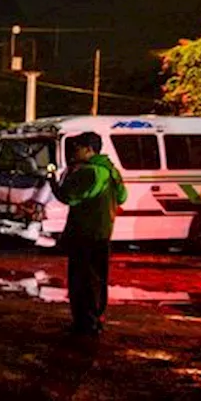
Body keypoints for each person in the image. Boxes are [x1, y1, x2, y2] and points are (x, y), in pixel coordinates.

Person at [48, 132, 127, 335]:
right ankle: (96, 319)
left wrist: (53, 182)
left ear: (89, 149)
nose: (74, 152)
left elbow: (69, 197)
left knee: (81, 280)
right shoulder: (111, 171)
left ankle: (85, 324)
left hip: (84, 234)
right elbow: (122, 197)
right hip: (103, 234)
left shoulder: (90, 172)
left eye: (78, 148)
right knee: (98, 280)